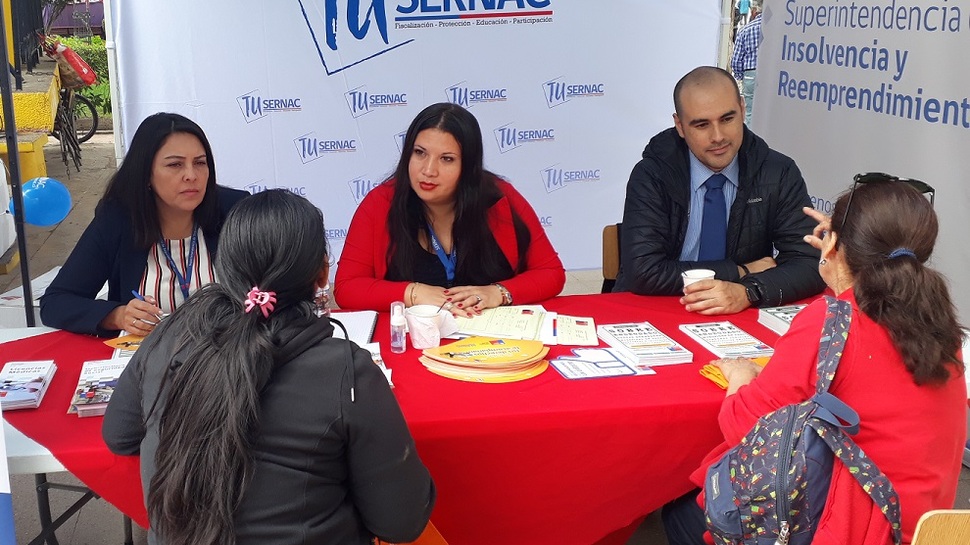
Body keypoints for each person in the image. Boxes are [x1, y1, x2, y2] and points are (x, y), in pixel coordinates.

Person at [103, 190, 435, 545]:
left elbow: (119, 436)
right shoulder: (346, 371)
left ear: (223, 266)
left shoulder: (169, 336)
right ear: (323, 274)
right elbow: (402, 522)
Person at [662, 178, 967, 545]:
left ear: (834, 244)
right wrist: (841, 266)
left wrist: (740, 377)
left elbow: (744, 426)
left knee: (686, 511)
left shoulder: (832, 321)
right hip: (930, 529)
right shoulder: (940, 325)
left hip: (855, 529)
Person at [613, 66, 824, 314]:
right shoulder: (653, 173)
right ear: (680, 126)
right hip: (656, 308)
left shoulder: (778, 172)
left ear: (743, 110)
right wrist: (740, 271)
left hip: (737, 311)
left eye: (727, 119)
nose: (718, 136)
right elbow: (643, 271)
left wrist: (748, 291)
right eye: (702, 125)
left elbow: (810, 262)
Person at [334, 102, 565, 314]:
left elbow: (551, 273)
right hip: (415, 340)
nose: (428, 170)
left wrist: (498, 292)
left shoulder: (500, 198)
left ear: (468, 166)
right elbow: (347, 288)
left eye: (447, 159)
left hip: (490, 342)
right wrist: (414, 293)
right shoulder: (380, 203)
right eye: (420, 153)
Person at [40, 112, 249, 336]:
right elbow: (55, 302)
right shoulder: (118, 219)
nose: (191, 175)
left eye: (199, 163)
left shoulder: (235, 210)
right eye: (175, 165)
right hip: (148, 361)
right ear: (146, 174)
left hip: (229, 353)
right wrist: (118, 316)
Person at [731, 0, 762, 124]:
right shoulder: (777, 31)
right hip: (772, 74)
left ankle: (751, 142)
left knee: (749, 113)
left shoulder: (745, 30)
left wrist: (740, 76)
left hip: (750, 74)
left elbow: (736, 60)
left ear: (754, 11)